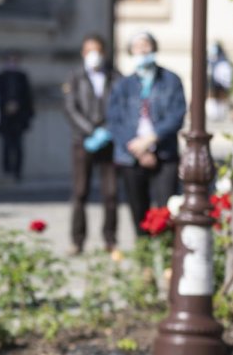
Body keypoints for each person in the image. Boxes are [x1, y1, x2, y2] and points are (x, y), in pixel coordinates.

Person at [106, 31, 186, 236]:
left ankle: (167, 255)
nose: (142, 50)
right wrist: (138, 148)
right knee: (138, 209)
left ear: (154, 48)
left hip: (164, 152)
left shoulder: (170, 80)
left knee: (167, 207)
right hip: (131, 155)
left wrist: (153, 138)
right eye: (137, 47)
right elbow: (115, 120)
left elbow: (176, 115)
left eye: (146, 45)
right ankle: (144, 257)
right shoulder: (123, 85)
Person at [63, 34, 119, 254]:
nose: (93, 56)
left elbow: (121, 107)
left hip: (109, 141)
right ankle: (77, 240)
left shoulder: (115, 77)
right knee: (80, 191)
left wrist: (108, 130)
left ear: (104, 53)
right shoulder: (75, 77)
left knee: (111, 193)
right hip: (83, 141)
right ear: (83, 54)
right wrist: (90, 130)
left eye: (97, 51)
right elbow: (70, 108)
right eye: (88, 51)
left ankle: (110, 239)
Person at [0, 53, 34, 181]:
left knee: (18, 147)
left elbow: (27, 97)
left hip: (19, 118)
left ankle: (17, 171)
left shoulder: (22, 77)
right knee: (6, 146)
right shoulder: (0, 77)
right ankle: (6, 170)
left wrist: (19, 108)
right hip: (5, 118)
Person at [206, 41, 233, 122]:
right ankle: (215, 114)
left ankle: (219, 115)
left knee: (220, 99)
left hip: (221, 85)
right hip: (213, 84)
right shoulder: (211, 59)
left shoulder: (223, 61)